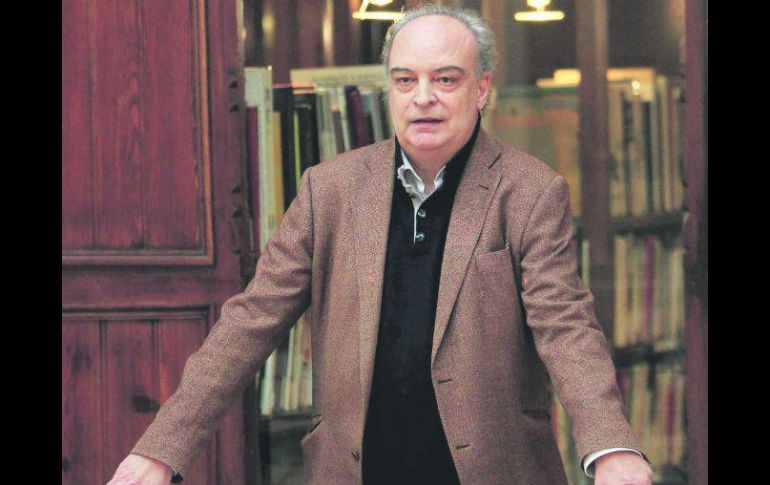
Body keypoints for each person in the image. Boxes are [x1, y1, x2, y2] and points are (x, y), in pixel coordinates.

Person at [108, 5, 653, 485]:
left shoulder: (531, 192)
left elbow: (565, 326)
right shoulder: (330, 190)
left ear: (482, 88)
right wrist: (162, 449)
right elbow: (251, 322)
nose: (423, 98)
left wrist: (611, 446)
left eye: (445, 79)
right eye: (405, 80)